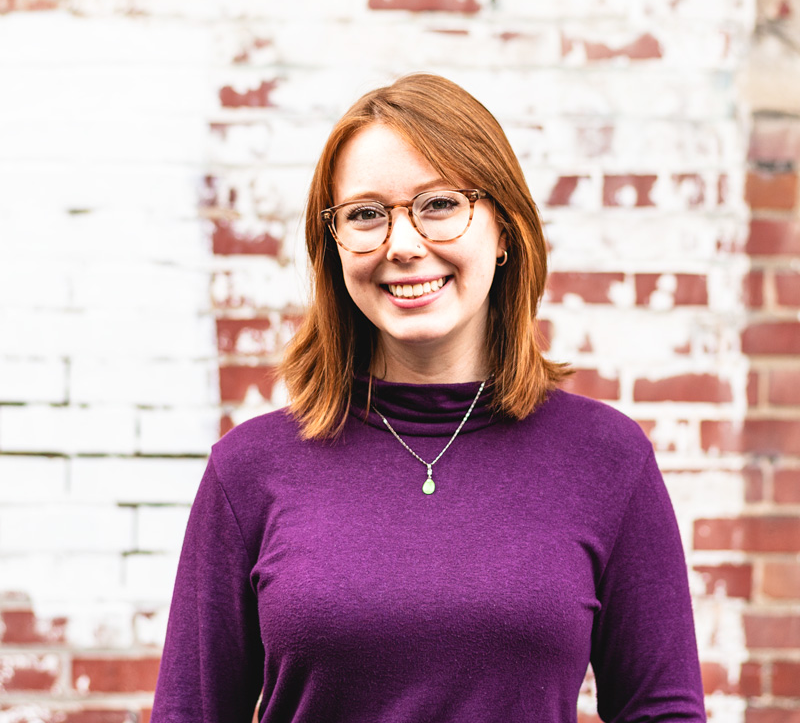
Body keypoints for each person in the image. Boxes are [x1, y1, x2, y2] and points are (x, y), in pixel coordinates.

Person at [151, 74, 706, 722]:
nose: (405, 244)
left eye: (439, 204)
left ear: (504, 231)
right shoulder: (248, 469)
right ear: (333, 248)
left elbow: (661, 712)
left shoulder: (607, 458)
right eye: (365, 214)